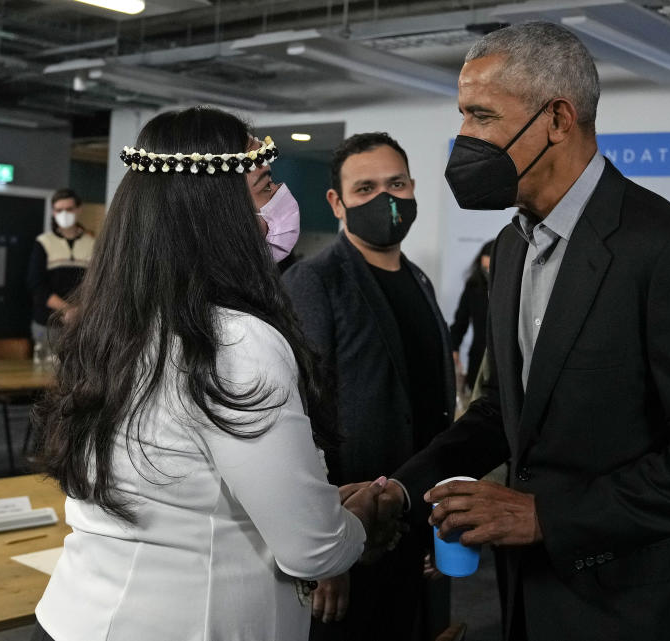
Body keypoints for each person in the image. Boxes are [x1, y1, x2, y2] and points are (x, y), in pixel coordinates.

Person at [379, 22, 670, 641]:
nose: (463, 138)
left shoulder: (669, 252)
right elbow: (502, 411)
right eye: (463, 116)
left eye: (482, 116)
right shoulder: (512, 245)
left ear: (558, 119)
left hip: (639, 607)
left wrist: (548, 517)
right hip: (530, 597)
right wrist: (401, 490)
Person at [30, 107, 396, 641]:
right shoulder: (236, 340)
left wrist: (311, 503)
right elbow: (311, 550)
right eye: (265, 187)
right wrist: (359, 519)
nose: (281, 206)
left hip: (78, 615)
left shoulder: (112, 323)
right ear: (214, 213)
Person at [282, 133, 454, 641]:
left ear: (413, 188)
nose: (386, 199)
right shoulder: (314, 281)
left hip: (413, 521)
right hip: (350, 534)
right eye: (365, 188)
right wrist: (326, 552)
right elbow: (300, 422)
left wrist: (434, 519)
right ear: (336, 202)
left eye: (396, 184)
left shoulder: (419, 281)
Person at [27, 188, 95, 344]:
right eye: (59, 210)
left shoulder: (93, 244)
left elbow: (97, 283)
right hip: (48, 323)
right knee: (45, 367)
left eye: (69, 209)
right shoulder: (44, 242)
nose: (64, 214)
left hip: (82, 322)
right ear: (53, 212)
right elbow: (36, 285)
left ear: (79, 209)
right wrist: (66, 309)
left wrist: (80, 311)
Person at [450, 240, 493, 395]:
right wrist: (453, 348)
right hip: (478, 359)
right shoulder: (474, 286)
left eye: (491, 269)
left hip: (506, 360)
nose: (487, 273)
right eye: (484, 269)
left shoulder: (515, 285)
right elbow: (460, 321)